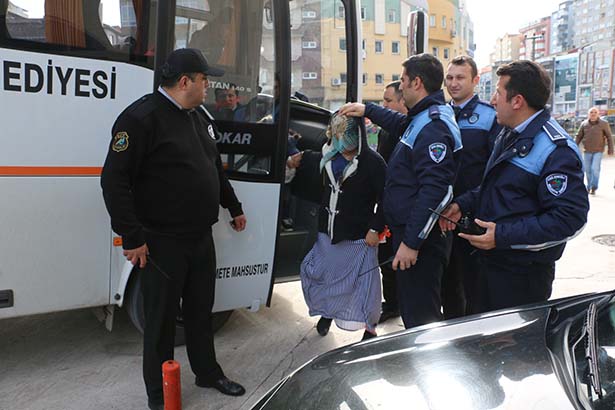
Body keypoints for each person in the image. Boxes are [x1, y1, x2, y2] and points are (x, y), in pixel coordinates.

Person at [100, 48, 247, 410]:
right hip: (162, 242)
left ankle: (207, 373)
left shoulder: (197, 117)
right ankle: (159, 394)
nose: (208, 86)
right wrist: (132, 237)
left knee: (200, 312)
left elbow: (212, 168)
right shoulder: (141, 119)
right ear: (185, 82)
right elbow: (113, 182)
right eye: (204, 80)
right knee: (161, 322)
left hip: (200, 237)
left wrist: (233, 206)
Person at [440, 60, 589, 313]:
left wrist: (502, 236)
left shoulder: (556, 150)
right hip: (489, 264)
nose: (493, 101)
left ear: (517, 101)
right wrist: (462, 205)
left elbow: (569, 219)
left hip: (521, 276)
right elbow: (496, 188)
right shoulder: (510, 133)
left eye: (498, 93)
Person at [339, 53, 462, 329]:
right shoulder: (423, 117)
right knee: (412, 313)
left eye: (404, 80)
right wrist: (367, 109)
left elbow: (436, 191)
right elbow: (399, 123)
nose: (401, 86)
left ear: (417, 83)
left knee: (421, 319)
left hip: (420, 242)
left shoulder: (434, 126)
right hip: (409, 234)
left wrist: (412, 243)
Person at [299, 113, 386, 341]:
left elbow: (386, 199)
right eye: (336, 135)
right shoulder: (328, 156)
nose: (341, 141)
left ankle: (370, 327)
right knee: (320, 274)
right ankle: (327, 312)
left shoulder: (373, 163)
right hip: (327, 233)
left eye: (345, 135)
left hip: (360, 237)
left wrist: (376, 228)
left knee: (365, 285)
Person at [441, 55, 500, 318]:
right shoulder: (439, 114)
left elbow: (495, 172)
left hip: (474, 215)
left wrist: (467, 202)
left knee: (474, 284)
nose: (453, 83)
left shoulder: (489, 116)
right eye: (449, 78)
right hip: (440, 214)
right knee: (447, 283)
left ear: (475, 80)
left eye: (460, 78)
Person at [375, 80, 407, 324]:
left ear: (402, 101)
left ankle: (405, 305)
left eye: (388, 101)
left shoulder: (411, 132)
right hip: (384, 204)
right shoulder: (385, 130)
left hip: (403, 209)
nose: (383, 105)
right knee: (385, 258)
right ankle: (392, 303)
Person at [575, 106, 613, 195]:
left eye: (595, 112)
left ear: (598, 114)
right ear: (588, 114)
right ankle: (589, 186)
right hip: (587, 150)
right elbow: (578, 136)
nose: (593, 114)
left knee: (595, 169)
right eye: (591, 112)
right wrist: (573, 147)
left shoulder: (604, 123)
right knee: (587, 170)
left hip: (598, 150)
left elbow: (609, 137)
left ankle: (594, 187)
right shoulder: (584, 124)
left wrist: (610, 149)